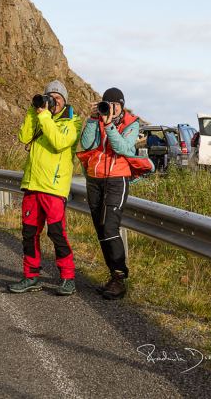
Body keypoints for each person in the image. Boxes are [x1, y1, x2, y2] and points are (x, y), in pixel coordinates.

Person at [8, 80, 82, 296]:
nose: (53, 101)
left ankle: (68, 277)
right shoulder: (41, 117)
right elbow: (23, 137)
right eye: (50, 97)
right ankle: (30, 276)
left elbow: (59, 142)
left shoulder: (72, 122)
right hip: (33, 185)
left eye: (57, 98)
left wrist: (44, 116)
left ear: (65, 101)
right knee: (29, 233)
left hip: (54, 187)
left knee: (57, 232)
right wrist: (34, 111)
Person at [77, 87, 150, 300]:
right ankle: (112, 276)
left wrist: (108, 125)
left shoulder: (131, 123)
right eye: (108, 104)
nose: (111, 108)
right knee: (101, 229)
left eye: (115, 105)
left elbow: (123, 148)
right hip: (95, 179)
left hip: (117, 179)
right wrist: (93, 119)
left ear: (121, 105)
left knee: (110, 227)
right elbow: (87, 144)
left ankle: (120, 278)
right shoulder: (98, 119)